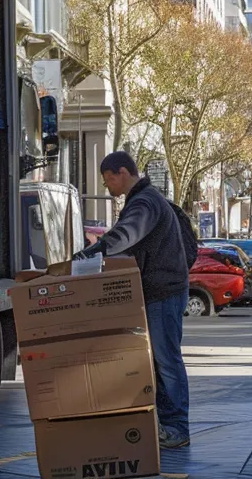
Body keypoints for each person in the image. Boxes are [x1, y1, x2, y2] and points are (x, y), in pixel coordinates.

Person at [76, 151, 193, 448]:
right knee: (161, 361)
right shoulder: (144, 200)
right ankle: (168, 425)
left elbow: (126, 235)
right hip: (161, 290)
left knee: (167, 361)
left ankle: (177, 427)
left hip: (163, 292)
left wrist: (92, 252)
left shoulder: (144, 202)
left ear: (123, 172)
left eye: (108, 179)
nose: (107, 186)